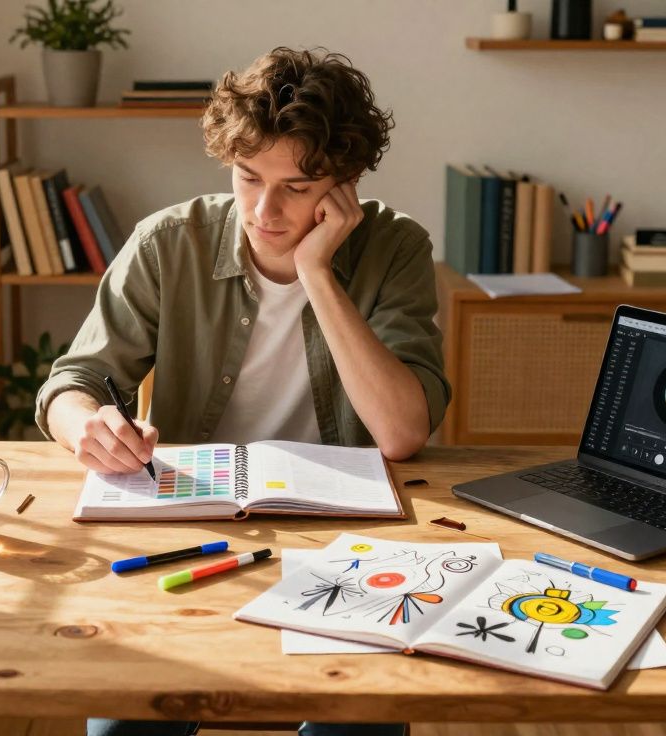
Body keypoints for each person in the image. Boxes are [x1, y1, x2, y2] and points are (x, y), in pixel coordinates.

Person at [35, 46, 447, 736]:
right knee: (127, 724)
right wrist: (87, 428)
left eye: (297, 187)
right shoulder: (170, 242)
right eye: (248, 177)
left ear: (343, 184)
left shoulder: (393, 247)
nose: (264, 210)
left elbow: (403, 433)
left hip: (347, 545)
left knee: (359, 722)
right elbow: (71, 383)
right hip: (190, 528)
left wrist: (318, 273)